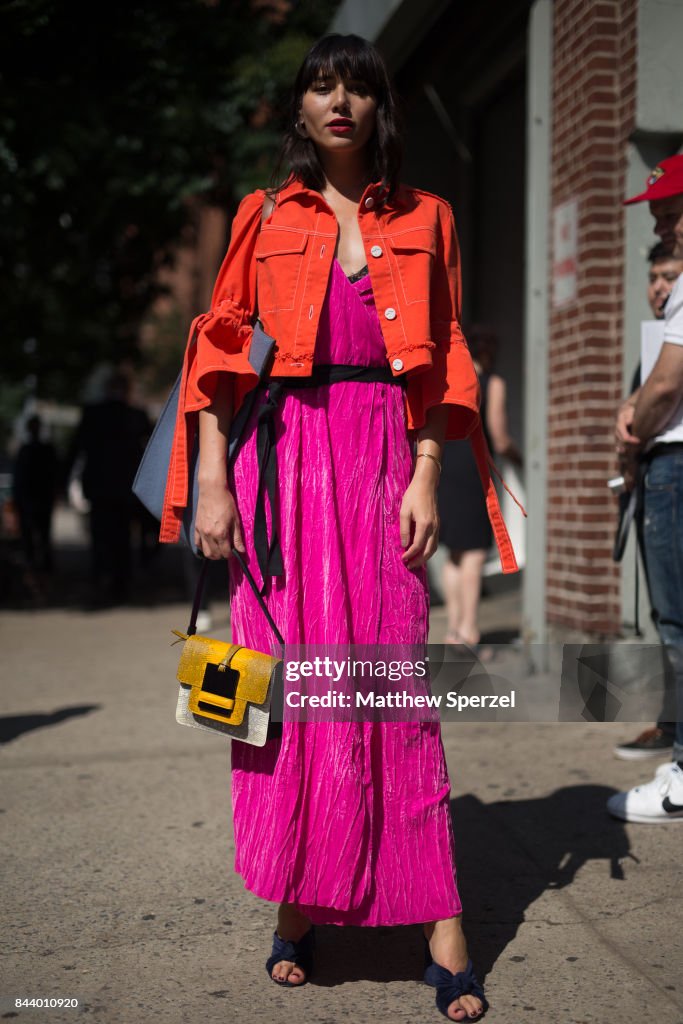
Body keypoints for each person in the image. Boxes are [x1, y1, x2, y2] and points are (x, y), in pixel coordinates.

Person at [161, 35, 519, 1019]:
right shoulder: (262, 215)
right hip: (277, 470)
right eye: (321, 85)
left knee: (390, 687)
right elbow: (218, 356)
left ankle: (438, 919)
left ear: (378, 109)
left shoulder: (428, 216)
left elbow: (445, 359)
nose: (338, 102)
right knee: (283, 694)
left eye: (357, 87)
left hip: (379, 462)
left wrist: (427, 472)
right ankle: (295, 901)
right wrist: (210, 482)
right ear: (302, 105)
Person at [609, 153, 683, 822]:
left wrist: (633, 422)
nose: (661, 221)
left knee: (676, 621)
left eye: (671, 208)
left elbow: (664, 386)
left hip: (675, 464)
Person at [438, 326, 522, 650]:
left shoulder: (449, 381)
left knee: (453, 555)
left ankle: (453, 629)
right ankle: (469, 630)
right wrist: (520, 457)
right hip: (473, 470)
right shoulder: (492, 382)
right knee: (473, 554)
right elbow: (499, 437)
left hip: (446, 468)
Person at [68, 370, 151, 604]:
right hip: (126, 488)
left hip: (99, 486)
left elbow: (77, 449)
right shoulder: (136, 415)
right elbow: (149, 453)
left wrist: (62, 479)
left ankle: (101, 579)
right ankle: (120, 583)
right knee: (122, 537)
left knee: (99, 535)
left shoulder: (92, 414)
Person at [12, 414, 58, 575]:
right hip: (34, 499)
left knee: (38, 534)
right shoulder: (34, 450)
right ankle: (36, 564)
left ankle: (38, 564)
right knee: (37, 535)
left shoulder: (34, 450)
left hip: (35, 499)